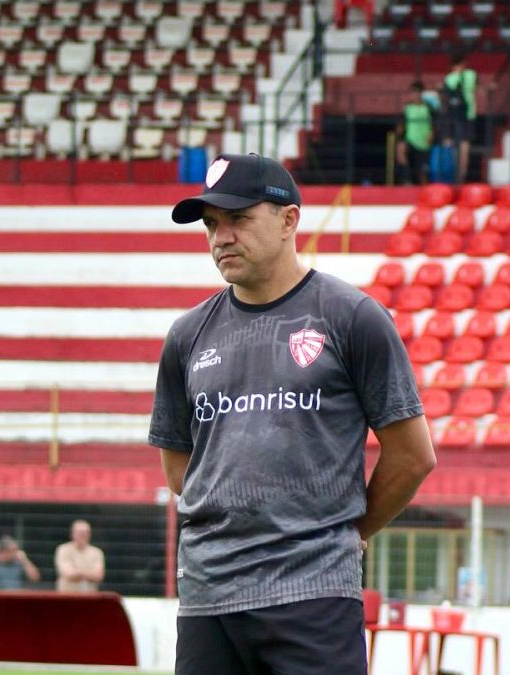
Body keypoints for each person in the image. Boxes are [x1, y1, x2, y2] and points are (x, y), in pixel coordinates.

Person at [149, 153, 436, 675]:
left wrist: (346, 532)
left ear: (289, 221)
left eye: (238, 219)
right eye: (211, 224)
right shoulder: (187, 335)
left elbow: (413, 456)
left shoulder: (353, 318)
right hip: (208, 601)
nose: (221, 238)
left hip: (314, 596)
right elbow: (179, 470)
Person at [441, 50, 477, 183]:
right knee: (461, 144)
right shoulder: (471, 75)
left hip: (460, 115)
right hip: (463, 114)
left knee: (460, 145)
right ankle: (460, 174)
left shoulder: (449, 78)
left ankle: (460, 174)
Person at [395, 81, 436, 185]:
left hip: (423, 143)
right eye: (411, 93)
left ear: (420, 93)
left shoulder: (428, 108)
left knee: (422, 173)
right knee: (401, 149)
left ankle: (425, 189)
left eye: (415, 92)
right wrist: (400, 129)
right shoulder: (407, 108)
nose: (412, 95)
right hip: (410, 140)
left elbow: (435, 124)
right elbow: (402, 122)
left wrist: (432, 134)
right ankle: (407, 180)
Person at [55, 519, 105, 592]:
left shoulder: (97, 552)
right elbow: (68, 574)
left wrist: (77, 572)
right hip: (67, 595)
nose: (83, 535)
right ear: (72, 534)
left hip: (90, 596)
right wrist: (89, 574)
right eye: (80, 532)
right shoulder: (63, 550)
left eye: (85, 532)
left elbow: (98, 576)